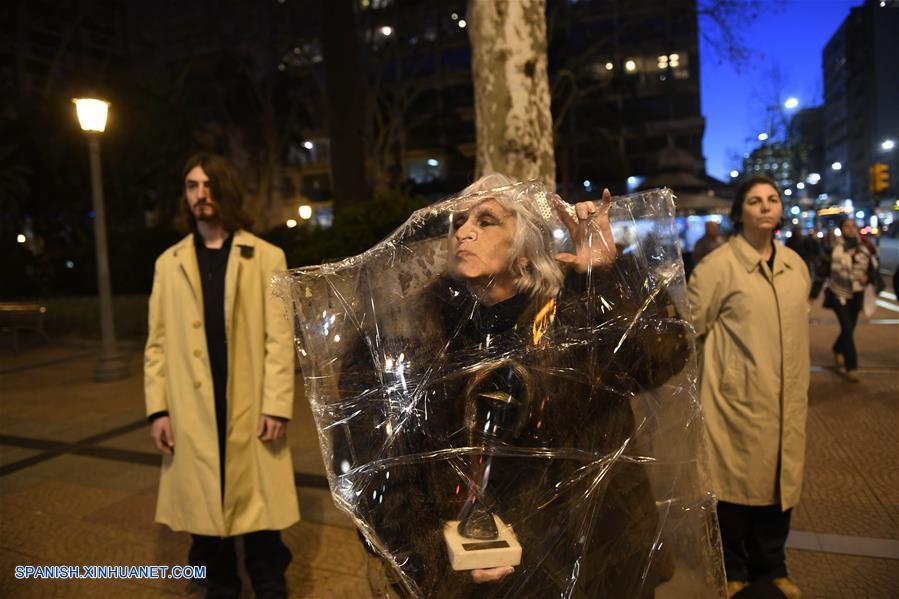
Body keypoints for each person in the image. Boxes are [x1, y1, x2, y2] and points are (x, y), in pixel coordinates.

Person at [331, 175, 692, 598]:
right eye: (459, 221)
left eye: (487, 221)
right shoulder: (405, 338)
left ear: (525, 249)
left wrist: (606, 273)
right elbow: (372, 469)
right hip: (476, 575)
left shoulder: (576, 316)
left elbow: (662, 356)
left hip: (592, 566)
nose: (464, 231)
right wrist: (434, 555)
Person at [144, 153, 299, 598]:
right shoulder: (168, 263)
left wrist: (276, 404)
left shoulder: (266, 256)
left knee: (263, 527)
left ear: (226, 191)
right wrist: (158, 410)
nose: (200, 195)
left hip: (250, 408)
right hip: (191, 413)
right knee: (205, 533)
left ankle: (270, 587)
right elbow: (155, 345)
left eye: (209, 185)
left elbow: (278, 338)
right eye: (192, 186)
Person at [688, 175, 809, 599]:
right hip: (734, 401)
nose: (764, 207)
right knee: (735, 492)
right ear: (739, 211)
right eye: (755, 200)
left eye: (772, 199)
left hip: (787, 400)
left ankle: (774, 567)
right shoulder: (717, 267)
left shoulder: (796, 265)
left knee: (781, 487)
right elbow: (690, 330)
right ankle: (735, 569)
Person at [825, 217, 876, 383]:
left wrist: (867, 278)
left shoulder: (865, 246)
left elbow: (873, 268)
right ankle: (852, 367)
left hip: (857, 294)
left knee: (850, 327)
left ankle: (837, 348)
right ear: (842, 229)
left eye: (853, 226)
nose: (850, 228)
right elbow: (827, 269)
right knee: (847, 328)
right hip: (839, 293)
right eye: (846, 226)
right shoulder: (834, 246)